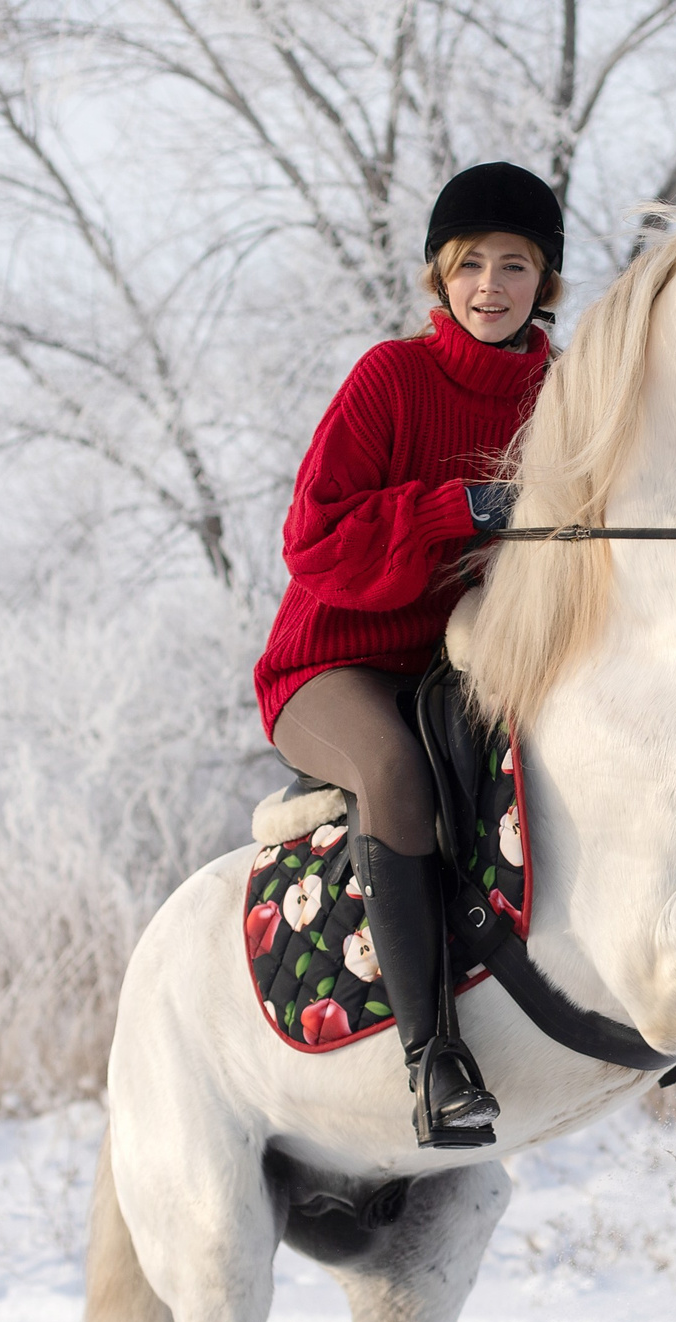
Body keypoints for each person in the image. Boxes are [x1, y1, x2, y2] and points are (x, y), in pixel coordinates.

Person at [252, 161, 565, 1148]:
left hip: (457, 668)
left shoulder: (563, 396)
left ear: (543, 282)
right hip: (332, 667)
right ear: (440, 275)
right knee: (391, 768)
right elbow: (310, 542)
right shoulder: (391, 377)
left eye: (513, 265)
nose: (489, 286)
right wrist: (452, 507)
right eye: (469, 263)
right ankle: (433, 1061)